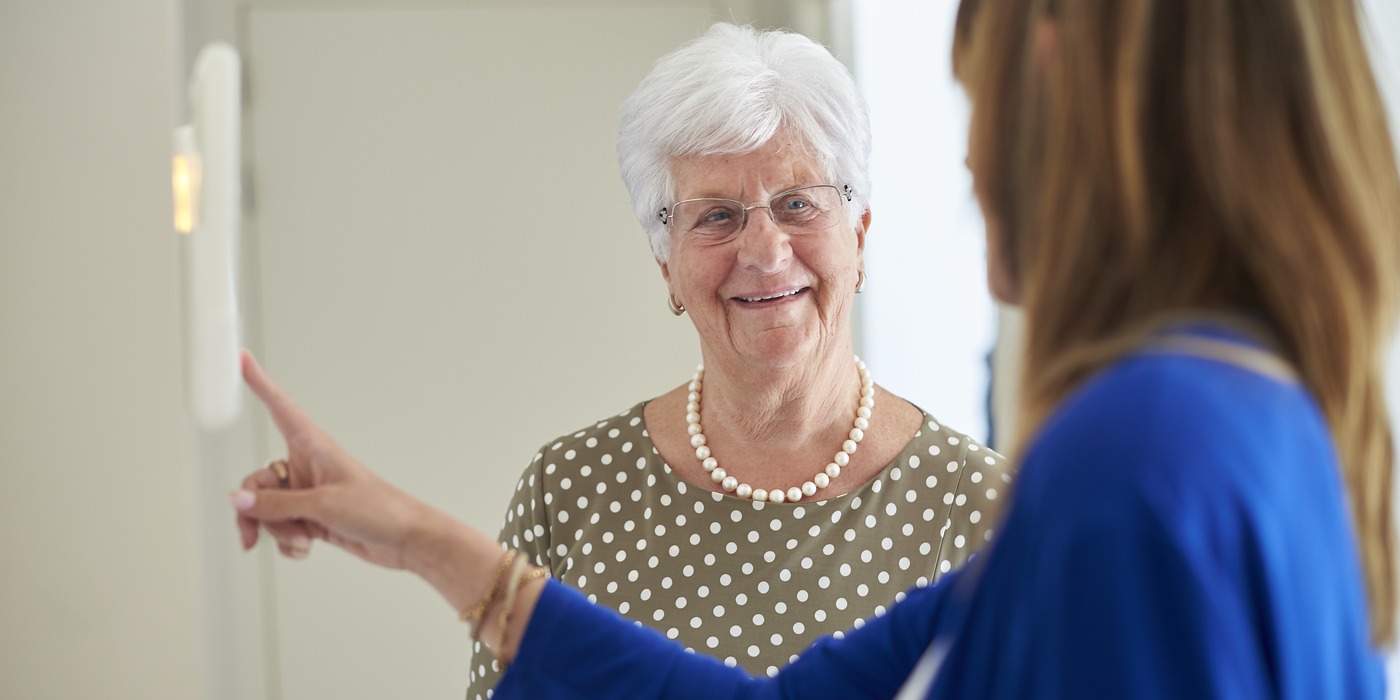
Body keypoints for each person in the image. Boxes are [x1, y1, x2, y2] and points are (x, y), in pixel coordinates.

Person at [230, 0, 1400, 697]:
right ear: (664, 258)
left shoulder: (1127, 462)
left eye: (969, 94)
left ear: (1050, 80)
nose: (970, 162)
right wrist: (425, 542)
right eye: (715, 216)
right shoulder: (1243, 418)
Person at [463, 23, 1010, 692]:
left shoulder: (983, 509)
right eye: (717, 215)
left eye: (797, 204)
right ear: (666, 264)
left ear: (859, 237)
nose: (765, 251)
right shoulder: (567, 494)